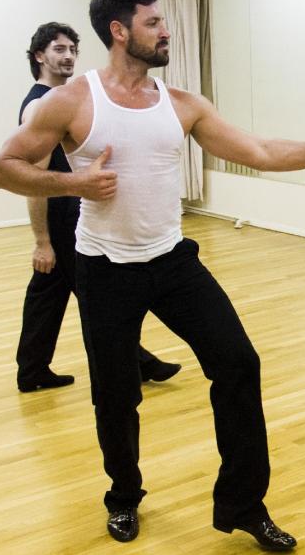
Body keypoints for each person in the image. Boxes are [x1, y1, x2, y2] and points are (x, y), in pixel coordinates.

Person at [0, 0, 305, 548]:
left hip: (172, 261)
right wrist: (74, 182)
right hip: (104, 267)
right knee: (116, 395)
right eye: (152, 22)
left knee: (239, 365)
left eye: (164, 21)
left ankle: (244, 504)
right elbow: (5, 167)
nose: (165, 31)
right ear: (119, 32)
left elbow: (261, 152)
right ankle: (123, 497)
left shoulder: (182, 105)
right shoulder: (71, 101)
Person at [15, 21, 181, 393]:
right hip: (65, 215)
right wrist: (42, 240)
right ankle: (138, 363)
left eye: (73, 49)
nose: (69, 56)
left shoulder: (61, 100)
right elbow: (30, 175)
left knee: (49, 290)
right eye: (59, 49)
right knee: (97, 298)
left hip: (70, 211)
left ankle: (32, 369)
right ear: (39, 56)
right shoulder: (42, 105)